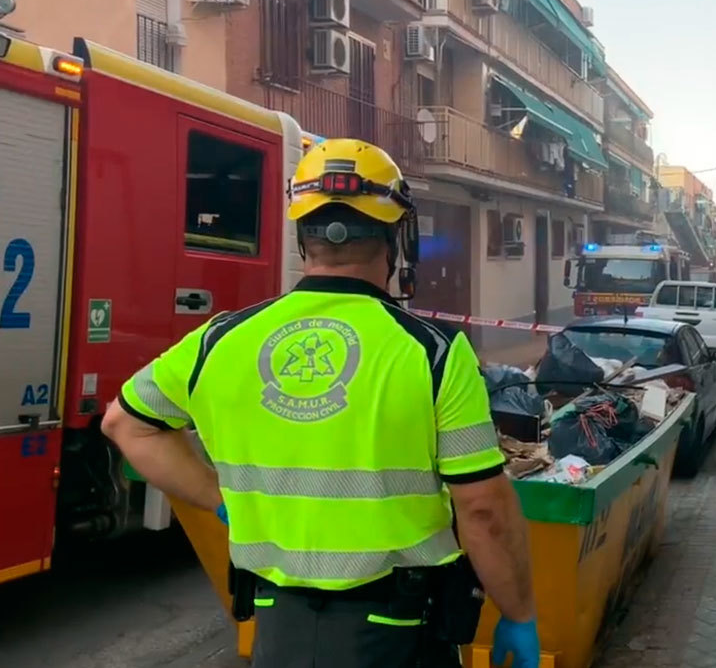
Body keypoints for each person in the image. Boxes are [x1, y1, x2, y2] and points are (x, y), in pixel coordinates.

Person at [101, 140, 541, 668]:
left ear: (302, 236)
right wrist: (519, 614)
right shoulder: (434, 354)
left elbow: (125, 424)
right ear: (397, 236)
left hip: (276, 629)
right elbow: (483, 508)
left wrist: (222, 500)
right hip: (396, 634)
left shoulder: (221, 340)